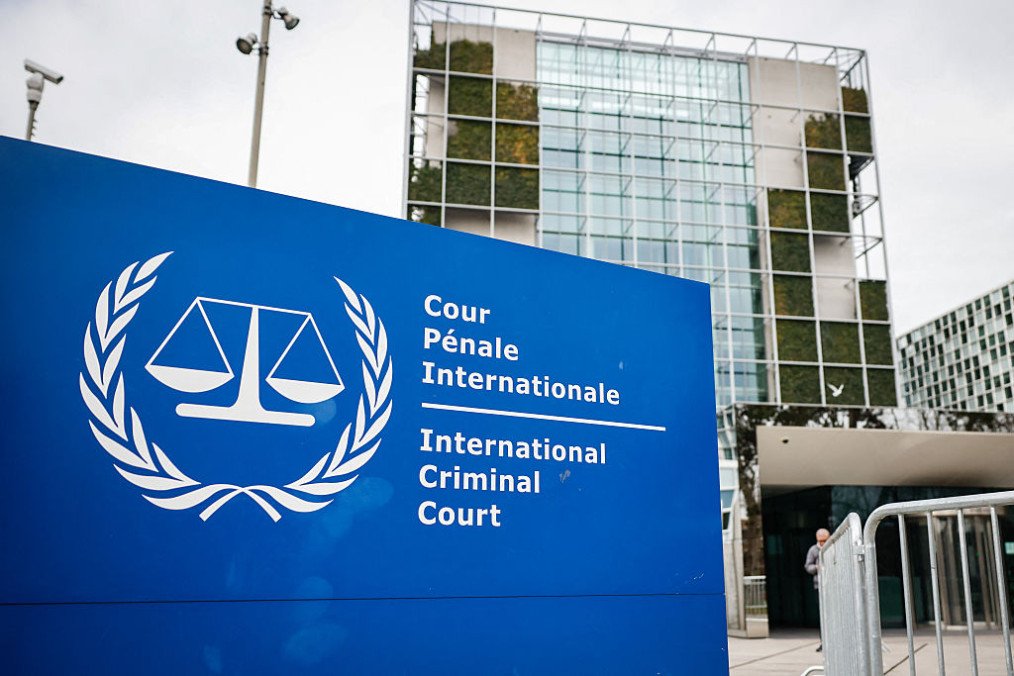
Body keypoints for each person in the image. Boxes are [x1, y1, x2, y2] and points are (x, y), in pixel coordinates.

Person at [804, 528, 830, 651]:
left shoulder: (833, 547)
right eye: (821, 541)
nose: (823, 543)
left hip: (832, 585)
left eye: (825, 540)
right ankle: (823, 641)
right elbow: (807, 566)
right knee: (822, 615)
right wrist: (817, 567)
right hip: (819, 586)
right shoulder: (813, 550)